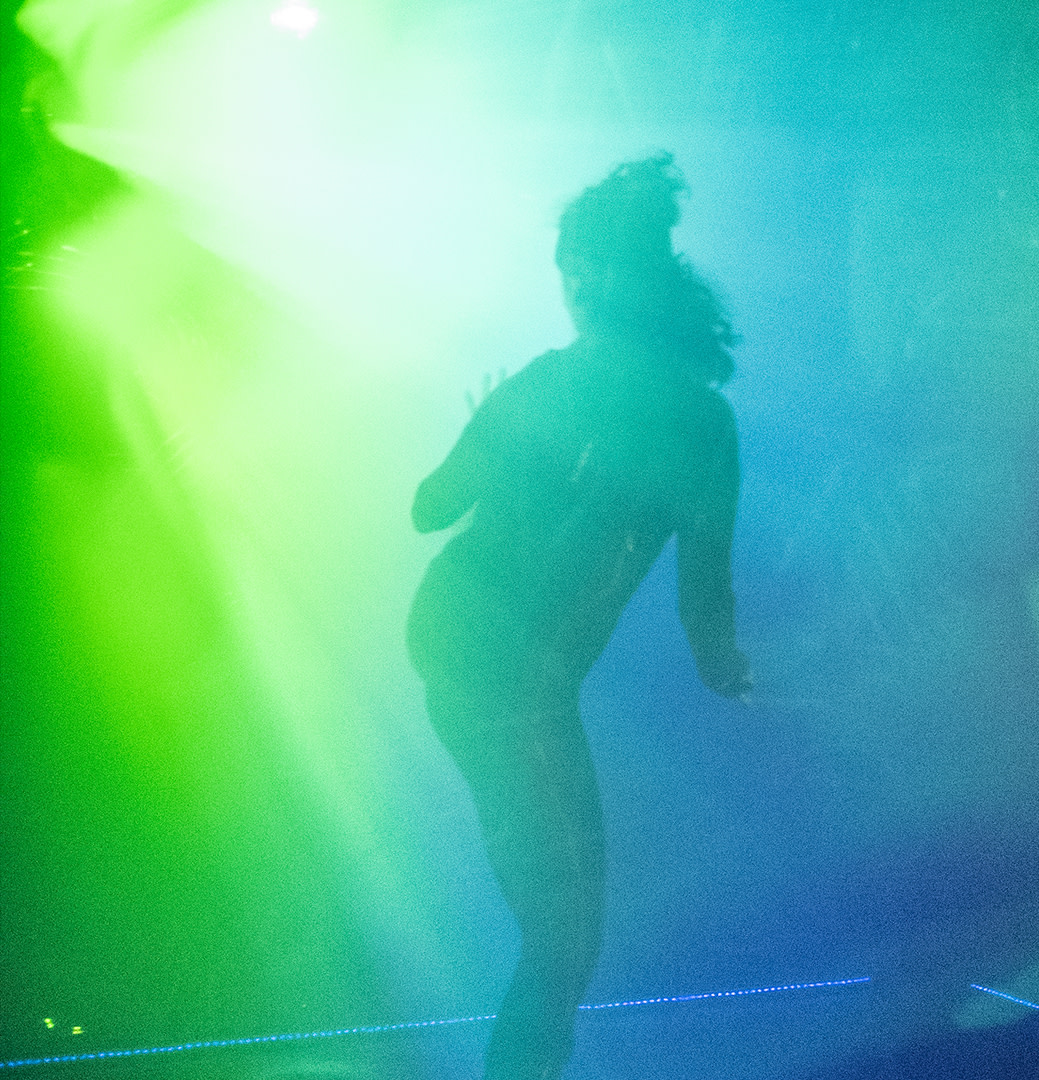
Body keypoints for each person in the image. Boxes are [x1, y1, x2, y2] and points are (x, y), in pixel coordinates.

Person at [406, 154, 751, 1080]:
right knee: (563, 933)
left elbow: (429, 507)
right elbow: (704, 604)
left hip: (473, 654)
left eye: (567, 272)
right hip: (507, 679)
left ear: (592, 281)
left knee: (560, 930)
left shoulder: (543, 383)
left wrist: (490, 443)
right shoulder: (705, 422)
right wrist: (743, 676)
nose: (563, 291)